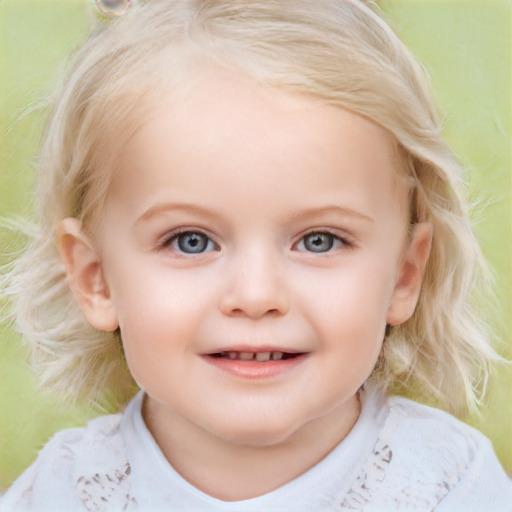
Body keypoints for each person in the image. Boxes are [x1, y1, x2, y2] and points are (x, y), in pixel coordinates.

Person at [1, 1, 511, 510]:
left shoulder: (452, 488)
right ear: (97, 280)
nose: (256, 295)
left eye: (320, 240)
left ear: (404, 275)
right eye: (190, 241)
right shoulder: (60, 493)